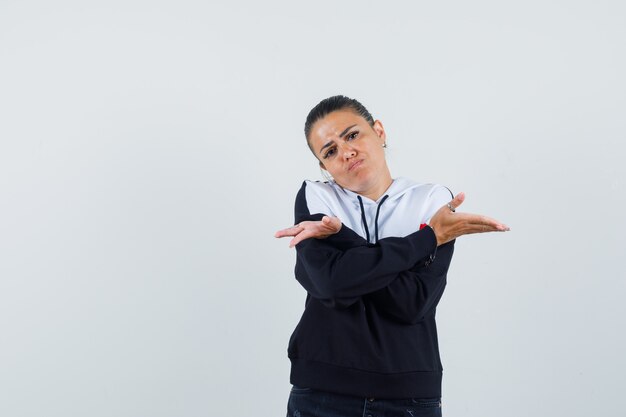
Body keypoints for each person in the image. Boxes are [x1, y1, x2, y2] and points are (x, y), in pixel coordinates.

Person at [275, 95, 509, 417]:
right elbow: (330, 283)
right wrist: (427, 237)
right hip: (321, 393)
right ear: (324, 167)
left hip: (408, 397)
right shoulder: (316, 196)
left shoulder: (431, 200)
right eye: (330, 151)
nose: (346, 152)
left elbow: (412, 302)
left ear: (380, 132)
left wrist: (343, 240)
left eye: (352, 135)